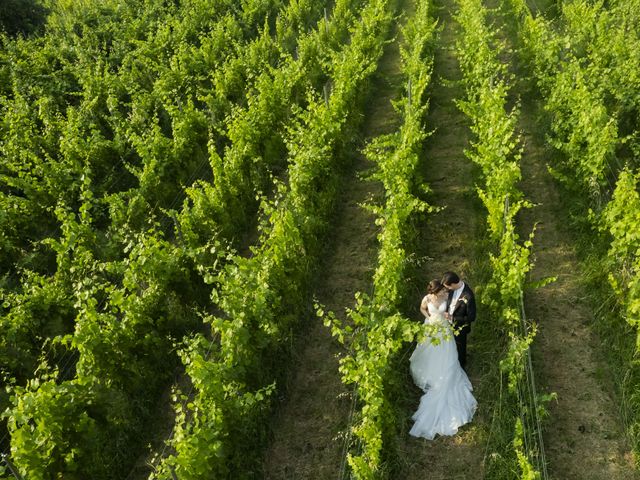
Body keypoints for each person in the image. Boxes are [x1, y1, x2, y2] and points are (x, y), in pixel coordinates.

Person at [409, 279, 476, 440]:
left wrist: (448, 317)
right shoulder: (427, 298)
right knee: (429, 352)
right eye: (440, 291)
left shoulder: (446, 297)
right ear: (434, 291)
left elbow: (451, 310)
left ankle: (447, 370)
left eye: (443, 291)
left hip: (444, 330)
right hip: (431, 327)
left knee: (447, 354)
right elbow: (422, 308)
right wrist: (429, 317)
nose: (442, 293)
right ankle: (431, 372)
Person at [442, 271, 476, 369]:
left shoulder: (468, 296)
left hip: (460, 327)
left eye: (448, 287)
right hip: (447, 324)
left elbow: (471, 317)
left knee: (460, 348)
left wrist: (452, 318)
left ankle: (460, 367)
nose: (447, 289)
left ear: (453, 284)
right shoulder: (452, 290)